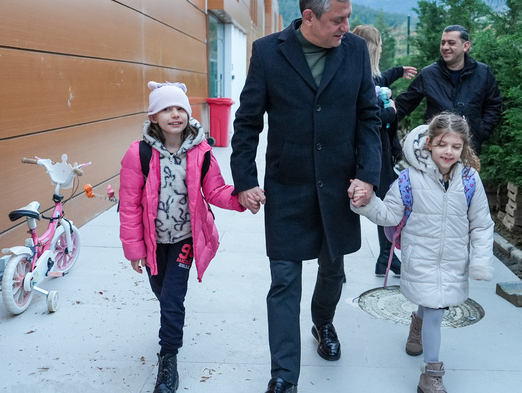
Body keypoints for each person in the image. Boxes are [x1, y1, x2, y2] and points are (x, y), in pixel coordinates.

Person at [229, 0, 382, 391]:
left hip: (338, 186)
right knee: (283, 280)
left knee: (333, 270)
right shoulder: (267, 51)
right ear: (309, 17)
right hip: (287, 187)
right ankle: (283, 375)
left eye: (348, 17)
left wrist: (367, 175)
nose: (347, 26)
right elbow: (247, 122)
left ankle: (323, 322)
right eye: (338, 19)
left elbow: (368, 116)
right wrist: (244, 180)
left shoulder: (355, 52)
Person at [351, 112, 494, 393]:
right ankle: (431, 375)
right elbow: (389, 213)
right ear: (429, 143)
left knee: (433, 307)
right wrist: (366, 203)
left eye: (455, 146)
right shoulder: (408, 180)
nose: (449, 152)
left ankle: (417, 326)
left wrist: (480, 261)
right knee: (435, 308)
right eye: (442, 144)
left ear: (464, 147)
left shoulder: (469, 181)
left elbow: (481, 224)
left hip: (453, 261)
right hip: (421, 259)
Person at [119, 81, 247, 393]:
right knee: (162, 292)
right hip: (152, 242)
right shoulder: (140, 154)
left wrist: (241, 198)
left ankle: (168, 358)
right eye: (166, 109)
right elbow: (129, 205)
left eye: (180, 108)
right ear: (153, 117)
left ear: (188, 114)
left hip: (185, 238)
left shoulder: (201, 152)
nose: (175, 114)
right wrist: (134, 249)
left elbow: (215, 190)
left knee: (174, 297)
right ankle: (170, 324)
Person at [351, 24, 417, 277]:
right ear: (373, 47)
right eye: (379, 43)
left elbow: (382, 78)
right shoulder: (362, 78)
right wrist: (390, 112)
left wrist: (399, 71)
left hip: (376, 151)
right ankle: (385, 257)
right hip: (372, 152)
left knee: (380, 204)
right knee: (386, 205)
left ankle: (382, 258)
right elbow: (368, 114)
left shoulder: (363, 74)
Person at [394, 24, 503, 154]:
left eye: (451, 43)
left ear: (466, 46)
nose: (445, 47)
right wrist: (382, 119)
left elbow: (494, 105)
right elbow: (405, 103)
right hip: (435, 149)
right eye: (443, 43)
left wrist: (480, 131)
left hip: (468, 149)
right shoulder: (428, 74)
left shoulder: (483, 73)